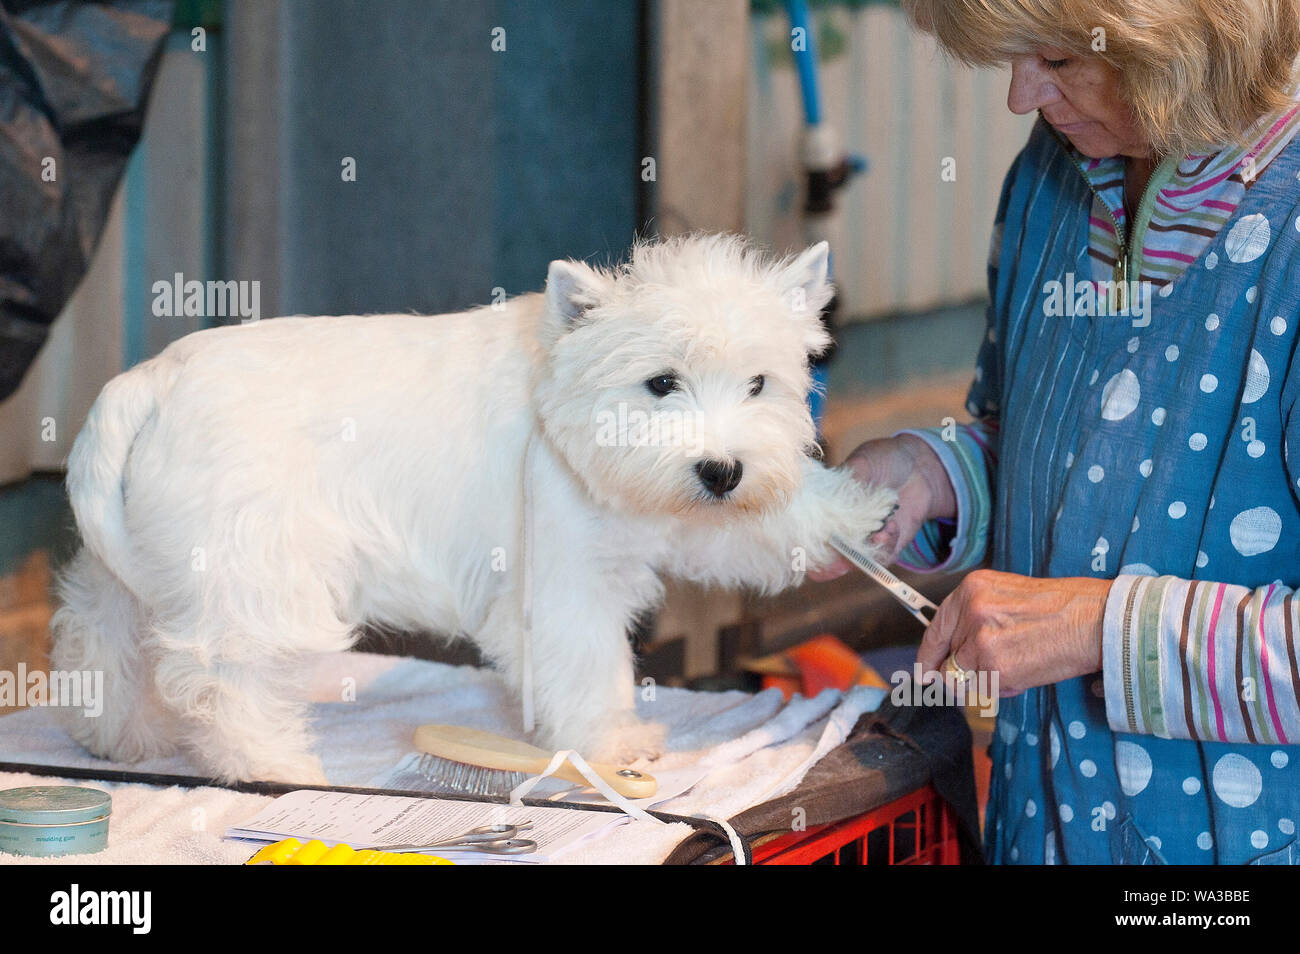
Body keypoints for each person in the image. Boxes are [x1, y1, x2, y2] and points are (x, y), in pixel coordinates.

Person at [819, 0, 1300, 863]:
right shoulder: (1051, 178)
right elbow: (1057, 449)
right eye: (1011, 57)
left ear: (1185, 41)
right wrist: (932, 473)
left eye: (1060, 61)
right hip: (1037, 829)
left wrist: (1094, 627)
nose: (1019, 97)